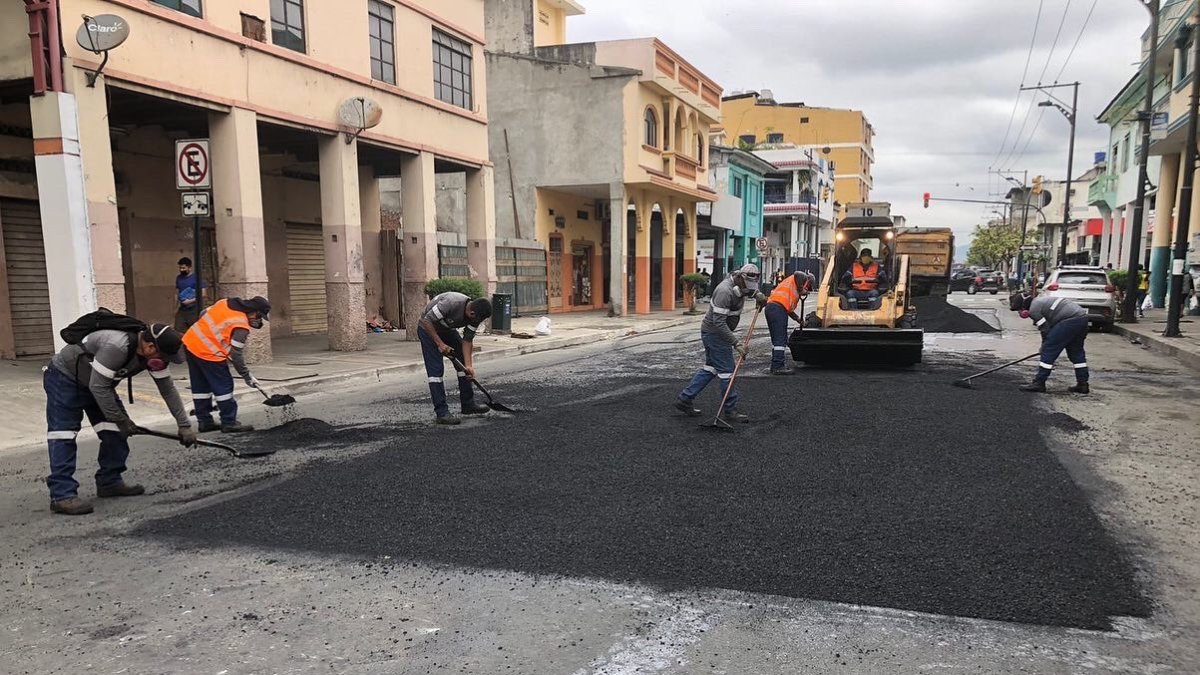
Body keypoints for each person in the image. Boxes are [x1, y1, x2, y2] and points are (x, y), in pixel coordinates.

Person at [44, 322, 196, 515]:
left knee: (114, 432)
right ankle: (62, 495)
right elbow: (98, 387)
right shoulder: (117, 346)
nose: (163, 362)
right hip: (65, 378)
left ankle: (109, 481)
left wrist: (184, 425)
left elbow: (167, 389)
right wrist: (121, 420)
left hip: (97, 383)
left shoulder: (153, 355)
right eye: (163, 357)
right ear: (150, 347)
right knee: (63, 434)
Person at [676, 263, 766, 422]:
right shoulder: (724, 291)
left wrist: (758, 294)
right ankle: (730, 410)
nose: (749, 287)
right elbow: (719, 323)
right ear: (739, 277)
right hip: (715, 333)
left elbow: (748, 289)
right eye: (748, 284)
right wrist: (736, 343)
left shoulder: (742, 283)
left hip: (717, 333)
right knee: (727, 372)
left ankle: (685, 399)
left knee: (711, 368)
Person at [182, 296, 271, 433]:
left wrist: (210, 333)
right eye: (259, 315)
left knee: (201, 385)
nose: (257, 319)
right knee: (224, 386)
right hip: (208, 352)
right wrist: (246, 376)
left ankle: (204, 422)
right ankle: (229, 422)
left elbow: (203, 314)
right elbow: (236, 354)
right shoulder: (241, 325)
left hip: (190, 343)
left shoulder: (225, 303)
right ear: (252, 310)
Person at [418, 292, 493, 425]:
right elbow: (426, 321)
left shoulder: (475, 315)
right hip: (428, 330)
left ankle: (468, 405)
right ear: (472, 314)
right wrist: (440, 344)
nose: (477, 323)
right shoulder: (450, 303)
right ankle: (442, 413)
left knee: (463, 364)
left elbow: (467, 340)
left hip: (447, 330)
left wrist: (469, 366)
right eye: (478, 320)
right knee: (436, 370)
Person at [1009, 291, 1090, 394]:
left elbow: (1045, 329)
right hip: (1082, 319)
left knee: (1049, 351)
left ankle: (1039, 383)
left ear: (1024, 305)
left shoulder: (1034, 309)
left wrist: (1044, 346)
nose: (1020, 312)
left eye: (1020, 309)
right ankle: (1083, 384)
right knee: (1076, 352)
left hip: (1068, 321)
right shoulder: (1040, 302)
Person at [765, 270, 816, 375]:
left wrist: (798, 320)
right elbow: (797, 273)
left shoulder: (791, 288)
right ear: (807, 282)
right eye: (808, 287)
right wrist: (802, 289)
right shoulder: (800, 277)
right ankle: (778, 366)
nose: (808, 290)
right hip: (777, 309)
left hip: (773, 308)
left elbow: (788, 310)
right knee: (780, 339)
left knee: (777, 339)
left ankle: (775, 365)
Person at [174, 257, 206, 332]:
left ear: (190, 267)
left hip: (194, 310)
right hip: (182, 310)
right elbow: (176, 293)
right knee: (178, 330)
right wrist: (174, 308)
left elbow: (203, 294)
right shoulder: (179, 278)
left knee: (195, 332)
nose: (181, 270)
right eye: (180, 268)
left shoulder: (197, 278)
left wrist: (190, 301)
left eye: (183, 268)